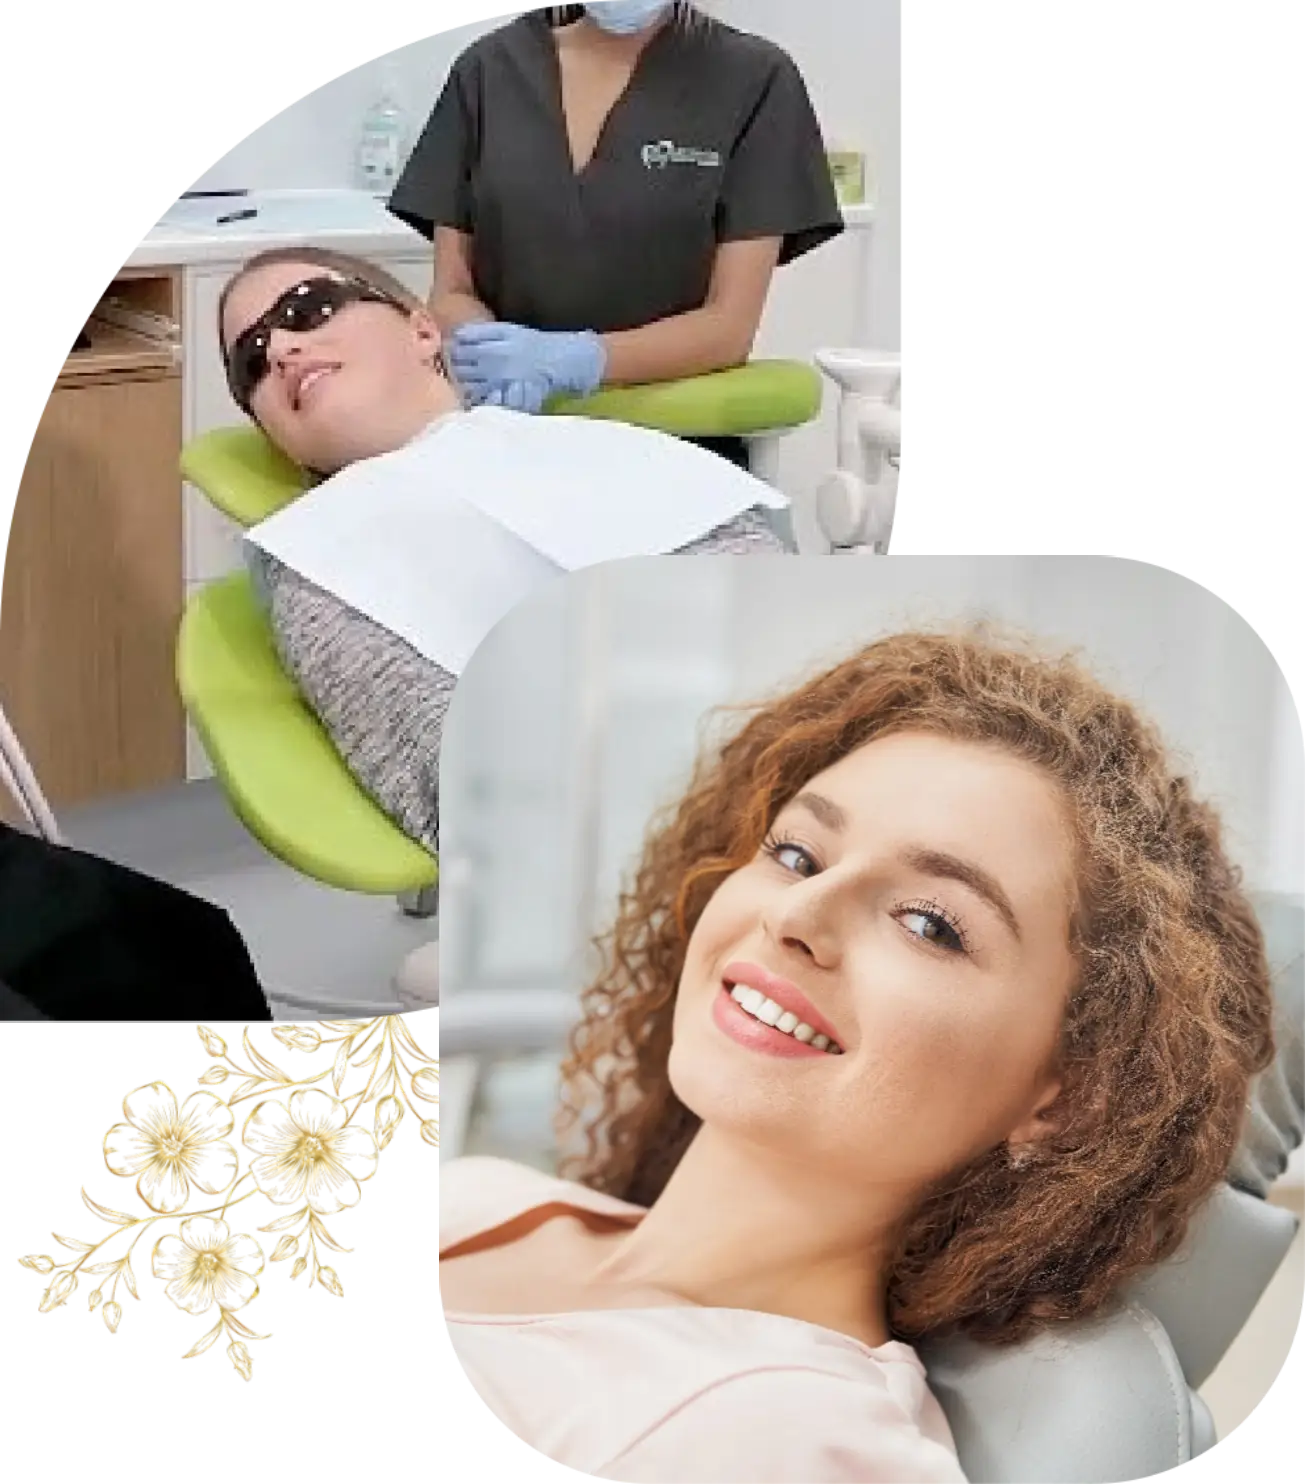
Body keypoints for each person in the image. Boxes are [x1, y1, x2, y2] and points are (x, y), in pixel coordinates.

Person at [435, 629, 1277, 1482]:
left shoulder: (790, 1442)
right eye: (795, 853)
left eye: (929, 924)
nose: (796, 914)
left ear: (1065, 1101)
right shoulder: (482, 1196)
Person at [215, 245, 786, 864]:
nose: (279, 351)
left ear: (422, 330)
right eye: (251, 362)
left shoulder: (598, 448)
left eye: (308, 308)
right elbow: (477, 793)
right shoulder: (314, 562)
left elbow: (790, 624)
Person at [390, 1, 844, 469]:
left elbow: (727, 328)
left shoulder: (755, 80)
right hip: (505, 434)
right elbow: (451, 290)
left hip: (679, 451)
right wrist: (488, 347)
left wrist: (581, 360)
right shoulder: (487, 71)